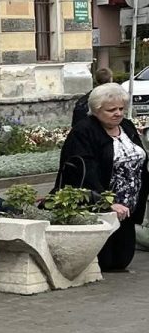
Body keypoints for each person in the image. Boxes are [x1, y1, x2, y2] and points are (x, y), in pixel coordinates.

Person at [55, 82, 149, 273]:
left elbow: (140, 158)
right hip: (101, 208)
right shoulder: (84, 131)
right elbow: (85, 172)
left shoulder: (127, 126)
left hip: (128, 207)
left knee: (121, 261)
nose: (118, 113)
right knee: (105, 262)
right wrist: (106, 202)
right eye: (111, 110)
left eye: (121, 108)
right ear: (96, 110)